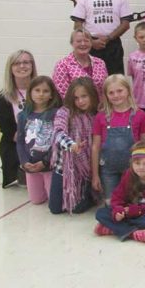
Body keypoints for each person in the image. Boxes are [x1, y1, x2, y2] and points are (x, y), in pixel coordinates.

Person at [94, 143, 145, 243]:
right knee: (100, 213)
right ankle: (133, 233)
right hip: (128, 212)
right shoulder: (128, 175)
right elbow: (117, 197)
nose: (141, 167)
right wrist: (118, 210)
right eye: (137, 163)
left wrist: (138, 210)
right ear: (131, 163)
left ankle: (114, 229)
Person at [91, 75, 145, 202]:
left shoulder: (140, 115)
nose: (116, 95)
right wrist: (95, 175)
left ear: (128, 90)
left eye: (120, 91)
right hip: (108, 171)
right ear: (106, 95)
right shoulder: (101, 116)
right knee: (111, 205)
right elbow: (95, 147)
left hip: (134, 171)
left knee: (134, 203)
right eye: (111, 92)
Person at [70, 0, 133, 75]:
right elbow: (77, 25)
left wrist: (108, 38)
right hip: (91, 46)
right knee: (90, 82)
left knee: (115, 79)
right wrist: (91, 41)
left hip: (113, 46)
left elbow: (125, 24)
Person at [49, 77, 98, 214]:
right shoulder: (64, 112)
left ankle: (89, 195)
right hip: (64, 167)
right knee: (55, 209)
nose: (80, 101)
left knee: (77, 209)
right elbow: (58, 133)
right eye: (76, 98)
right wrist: (72, 145)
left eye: (84, 96)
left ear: (92, 95)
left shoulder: (95, 116)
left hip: (84, 170)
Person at [16, 76, 62, 204]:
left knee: (53, 200)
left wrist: (45, 162)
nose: (41, 94)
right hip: (30, 165)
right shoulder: (23, 115)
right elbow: (20, 141)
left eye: (45, 91)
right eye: (37, 90)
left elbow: (57, 142)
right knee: (36, 201)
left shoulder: (56, 114)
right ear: (30, 92)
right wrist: (24, 162)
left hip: (49, 165)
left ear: (52, 95)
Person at [0, 49, 37, 188]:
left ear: (32, 66)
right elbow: (7, 130)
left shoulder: (42, 90)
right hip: (16, 144)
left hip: (43, 143)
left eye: (26, 62)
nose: (22, 66)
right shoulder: (2, 98)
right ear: (10, 68)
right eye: (17, 63)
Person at [52, 29, 108, 97]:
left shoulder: (100, 63)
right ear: (72, 43)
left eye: (86, 41)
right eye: (79, 41)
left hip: (100, 107)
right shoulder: (62, 65)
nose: (83, 44)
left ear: (91, 43)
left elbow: (106, 88)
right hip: (74, 106)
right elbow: (63, 93)